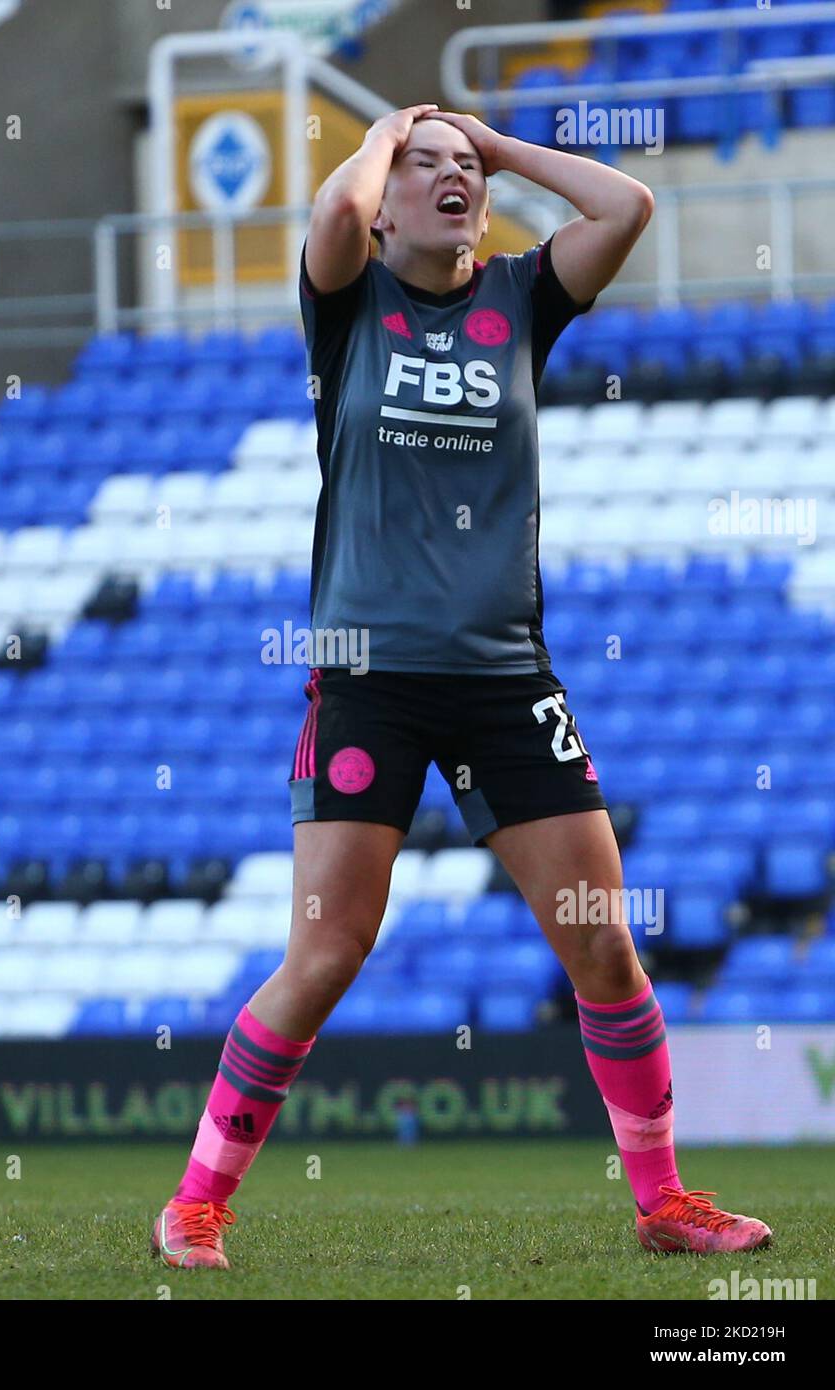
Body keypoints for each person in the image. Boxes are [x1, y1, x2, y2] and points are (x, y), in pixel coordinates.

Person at [151, 106, 771, 1267]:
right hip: (367, 682)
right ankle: (195, 1202)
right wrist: (389, 131)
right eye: (423, 170)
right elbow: (335, 212)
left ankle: (661, 1202)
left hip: (500, 679)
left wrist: (492, 145)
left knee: (598, 943)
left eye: (464, 174)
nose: (449, 180)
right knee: (327, 953)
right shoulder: (348, 305)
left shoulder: (519, 303)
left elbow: (624, 207)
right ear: (385, 202)